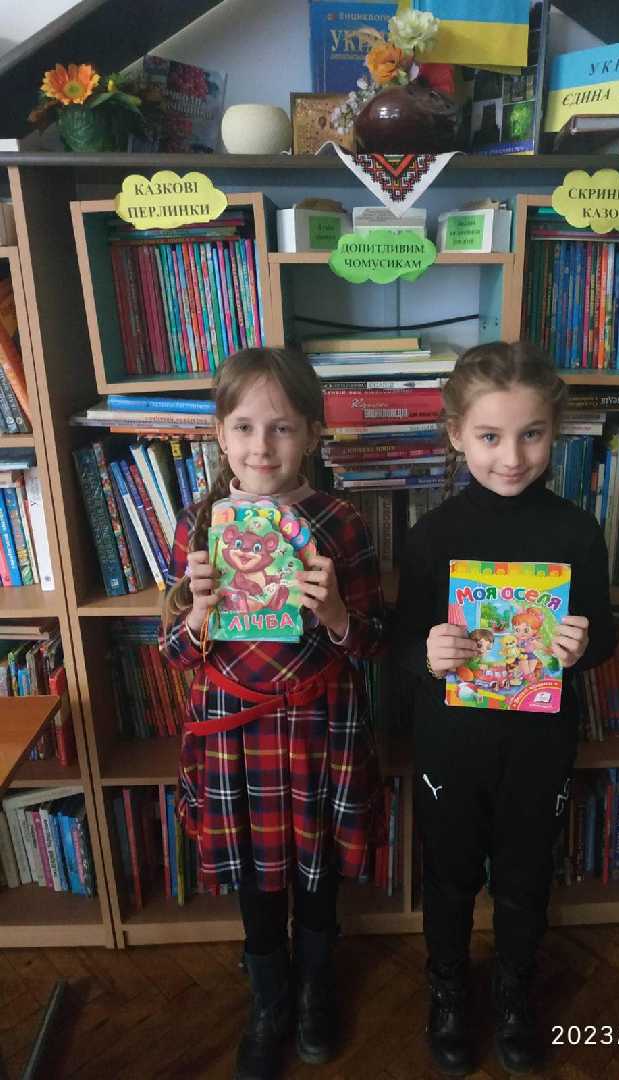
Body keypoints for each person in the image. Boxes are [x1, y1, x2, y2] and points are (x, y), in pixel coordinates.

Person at [161, 348, 386, 1080]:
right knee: (258, 879)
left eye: (283, 427)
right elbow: (174, 652)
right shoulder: (199, 524)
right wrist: (199, 612)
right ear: (219, 434)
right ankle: (269, 1000)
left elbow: (374, 643)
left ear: (313, 435)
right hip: (235, 731)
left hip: (320, 725)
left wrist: (336, 613)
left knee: (317, 873)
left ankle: (317, 989)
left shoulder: (341, 522)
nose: (262, 446)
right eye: (245, 427)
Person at [394, 341, 615, 1076]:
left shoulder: (575, 531)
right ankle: (449, 989)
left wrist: (581, 645)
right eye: (490, 436)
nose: (512, 457)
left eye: (532, 434)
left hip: (538, 744)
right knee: (449, 875)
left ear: (555, 433)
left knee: (525, 877)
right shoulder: (432, 536)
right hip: (451, 743)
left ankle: (516, 991)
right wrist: (429, 654)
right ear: (457, 434)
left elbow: (605, 637)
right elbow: (399, 644)